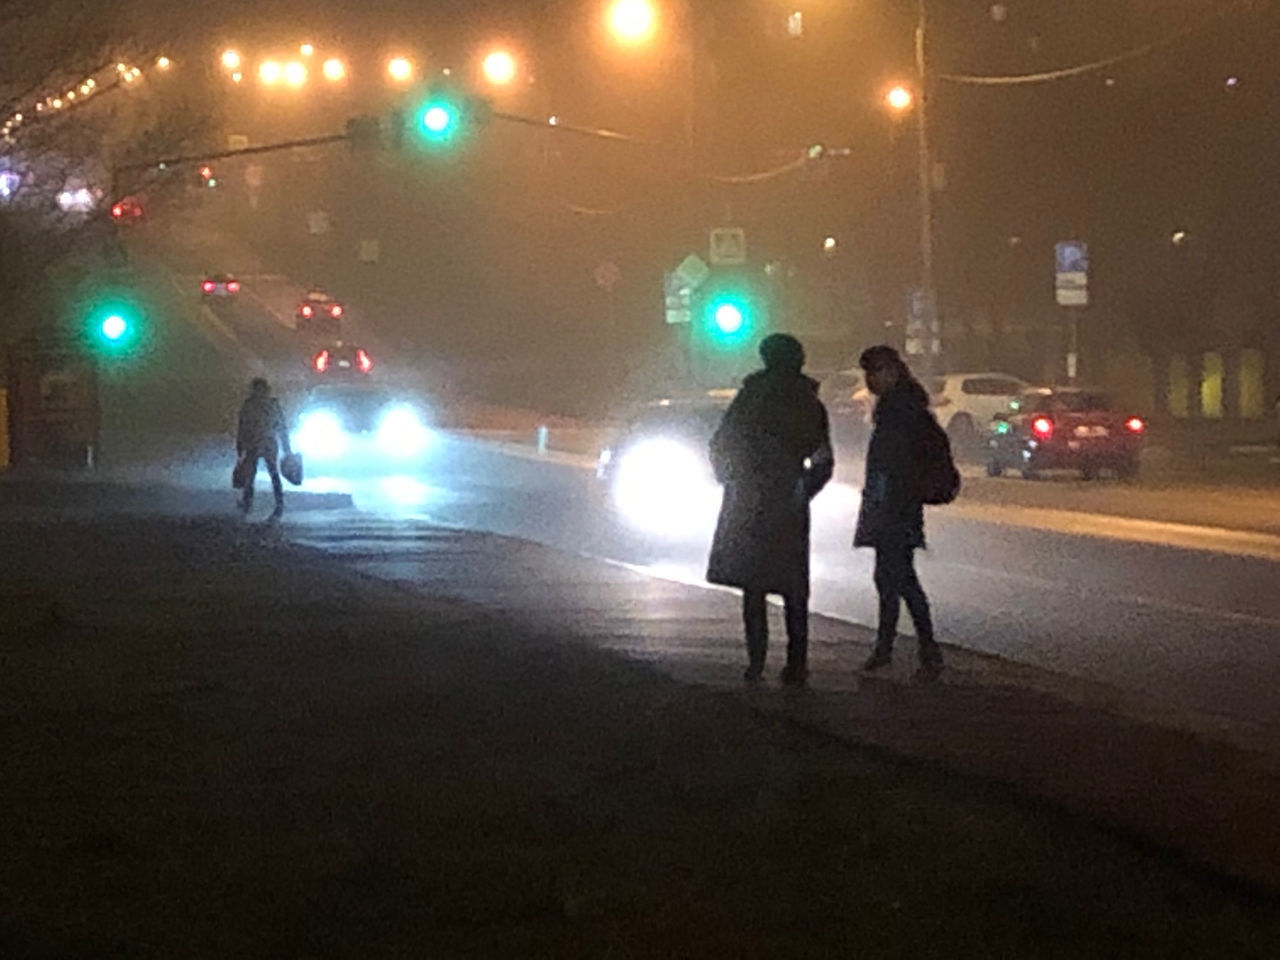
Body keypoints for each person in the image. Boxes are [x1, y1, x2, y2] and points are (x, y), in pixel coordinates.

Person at [707, 334, 834, 685]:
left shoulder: (750, 398)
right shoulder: (808, 403)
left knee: (754, 585)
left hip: (748, 499)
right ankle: (796, 662)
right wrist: (801, 490)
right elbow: (823, 460)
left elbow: (720, 443)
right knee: (794, 587)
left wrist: (733, 481)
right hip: (788, 503)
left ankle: (756, 661)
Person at [853, 345, 942, 681]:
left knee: (900, 578)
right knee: (891, 578)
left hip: (896, 506)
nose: (870, 380)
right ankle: (890, 648)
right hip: (892, 504)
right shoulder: (899, 407)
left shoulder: (901, 411)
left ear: (891, 371)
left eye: (874, 372)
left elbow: (898, 462)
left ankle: (924, 651)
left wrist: (888, 496)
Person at [236, 378, 291, 520]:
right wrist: (286, 447)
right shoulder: (271, 404)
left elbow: (243, 425)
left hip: (257, 443)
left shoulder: (250, 404)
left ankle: (249, 505)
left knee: (255, 475)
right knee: (268, 474)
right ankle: (277, 505)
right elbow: (281, 426)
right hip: (265, 443)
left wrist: (240, 444)